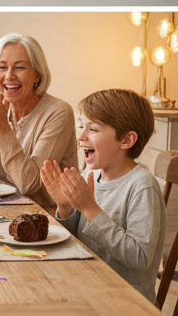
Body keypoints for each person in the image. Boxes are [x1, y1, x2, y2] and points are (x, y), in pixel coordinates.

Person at [41, 89, 165, 303]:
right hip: (88, 288)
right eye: (81, 126)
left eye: (93, 129)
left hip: (127, 304)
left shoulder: (142, 186)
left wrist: (91, 209)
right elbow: (76, 241)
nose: (81, 136)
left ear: (126, 140)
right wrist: (64, 206)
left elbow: (140, 258)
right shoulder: (90, 174)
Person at [0, 33, 78, 209]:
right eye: (2, 67)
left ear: (37, 75)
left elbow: (29, 183)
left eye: (19, 68)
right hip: (9, 212)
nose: (9, 75)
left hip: (51, 218)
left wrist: (3, 131)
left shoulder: (59, 112)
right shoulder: (2, 111)